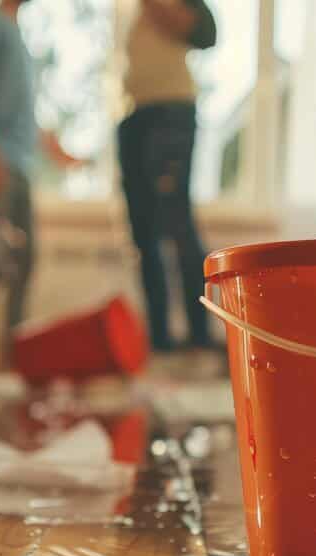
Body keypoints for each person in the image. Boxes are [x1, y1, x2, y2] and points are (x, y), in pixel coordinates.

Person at [0, 0, 76, 354]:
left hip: (18, 162)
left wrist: (54, 149)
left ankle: (12, 352)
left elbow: (20, 114)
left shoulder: (20, 38)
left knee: (23, 259)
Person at [118, 0, 217, 353]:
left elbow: (207, 34)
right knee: (144, 233)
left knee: (176, 223)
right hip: (136, 115)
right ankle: (159, 341)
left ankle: (199, 337)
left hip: (169, 114)